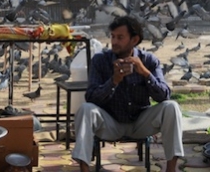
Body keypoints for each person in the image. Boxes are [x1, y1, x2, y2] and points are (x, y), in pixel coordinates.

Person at [72, 16, 183, 172]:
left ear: (134, 39)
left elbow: (164, 96)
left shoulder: (149, 60)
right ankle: (84, 169)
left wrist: (145, 73)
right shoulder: (100, 60)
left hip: (141, 122)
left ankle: (171, 169)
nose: (114, 42)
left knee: (172, 107)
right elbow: (91, 97)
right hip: (111, 123)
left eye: (120, 37)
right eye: (113, 36)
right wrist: (114, 81)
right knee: (85, 109)